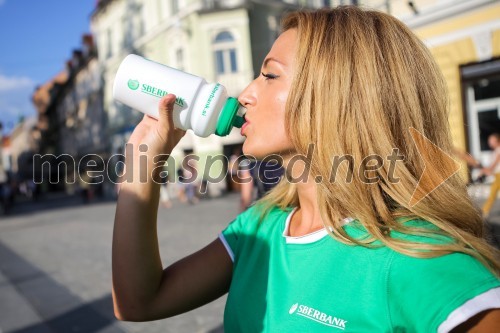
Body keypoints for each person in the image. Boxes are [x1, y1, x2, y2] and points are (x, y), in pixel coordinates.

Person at [112, 7, 500, 332]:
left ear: (340, 95)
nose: (246, 94)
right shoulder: (260, 228)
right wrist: (143, 161)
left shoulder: (418, 257)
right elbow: (139, 302)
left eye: (269, 75)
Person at [478, 133, 500, 218]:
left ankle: (485, 210)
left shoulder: (498, 150)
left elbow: (495, 163)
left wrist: (487, 170)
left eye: (491, 140)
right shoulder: (495, 151)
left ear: (497, 141)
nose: (489, 142)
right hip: (498, 175)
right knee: (493, 192)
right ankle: (485, 210)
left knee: (493, 192)